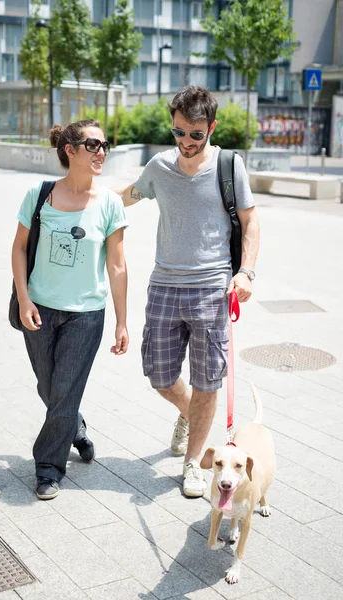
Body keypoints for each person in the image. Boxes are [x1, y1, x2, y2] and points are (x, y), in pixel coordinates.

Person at [117, 86, 259, 498]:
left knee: (207, 383)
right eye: (179, 132)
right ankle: (189, 414)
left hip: (213, 289)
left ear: (211, 128)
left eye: (196, 135)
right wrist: (74, 194)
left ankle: (194, 463)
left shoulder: (229, 167)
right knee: (159, 376)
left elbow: (251, 222)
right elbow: (124, 198)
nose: (186, 142)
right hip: (163, 285)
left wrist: (246, 272)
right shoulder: (160, 167)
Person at [12, 119, 129, 500]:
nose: (101, 152)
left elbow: (117, 264)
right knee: (50, 387)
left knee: (63, 390)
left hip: (86, 315)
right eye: (93, 145)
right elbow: (18, 248)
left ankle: (48, 468)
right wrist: (24, 297)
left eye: (104, 145)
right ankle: (74, 426)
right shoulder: (40, 194)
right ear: (70, 150)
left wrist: (122, 322)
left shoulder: (110, 203)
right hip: (40, 310)